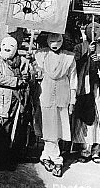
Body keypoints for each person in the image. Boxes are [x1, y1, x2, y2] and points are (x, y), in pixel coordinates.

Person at [33, 33, 77, 177]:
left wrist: (72, 100)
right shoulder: (41, 55)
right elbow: (37, 72)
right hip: (46, 94)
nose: (55, 43)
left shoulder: (69, 57)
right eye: (52, 40)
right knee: (48, 126)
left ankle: (46, 156)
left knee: (59, 127)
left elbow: (73, 81)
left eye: (58, 40)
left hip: (63, 95)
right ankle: (57, 159)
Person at [0, 36, 30, 173]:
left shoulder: (23, 61)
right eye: (4, 45)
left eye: (11, 46)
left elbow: (29, 76)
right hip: (2, 100)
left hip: (17, 101)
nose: (7, 48)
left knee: (15, 130)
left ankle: (10, 160)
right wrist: (16, 81)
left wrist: (29, 74)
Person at [72, 22, 100, 164]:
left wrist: (98, 61)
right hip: (84, 88)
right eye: (90, 29)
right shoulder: (79, 47)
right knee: (84, 118)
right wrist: (87, 53)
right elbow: (74, 66)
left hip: (98, 89)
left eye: (96, 30)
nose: (93, 32)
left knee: (99, 117)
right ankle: (84, 150)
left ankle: (96, 151)